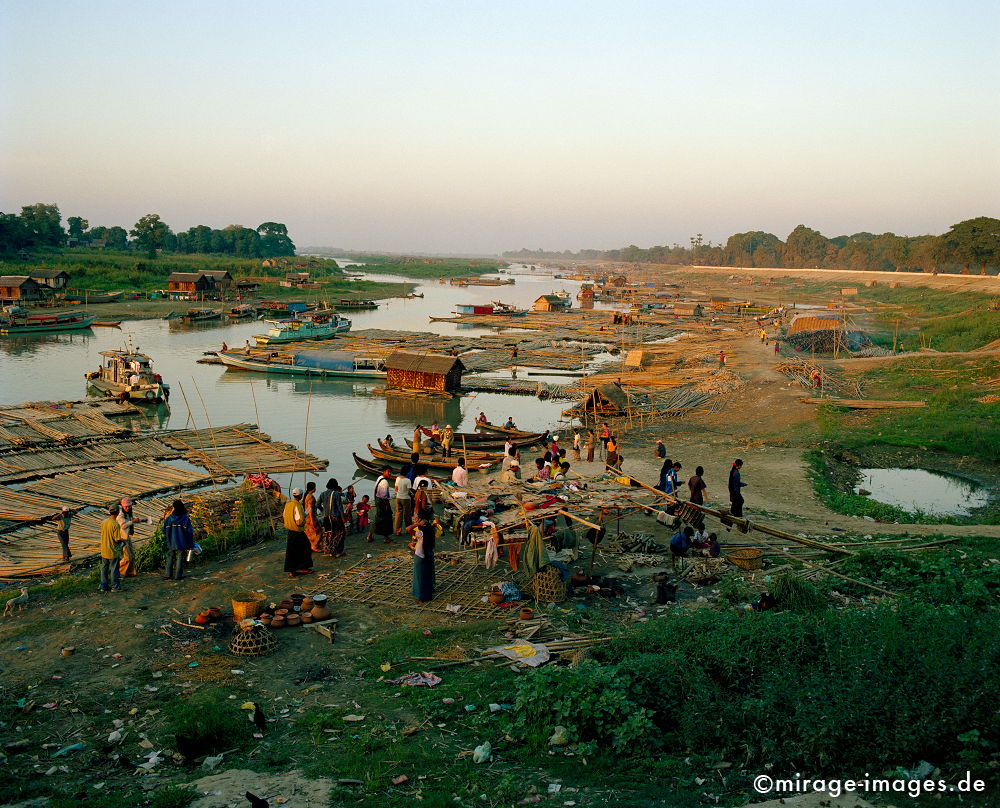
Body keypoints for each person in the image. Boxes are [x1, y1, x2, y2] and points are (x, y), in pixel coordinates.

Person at [283, 488, 312, 577]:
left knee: (291, 551)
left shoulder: (288, 504)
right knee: (305, 547)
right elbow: (299, 521)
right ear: (300, 496)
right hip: (297, 531)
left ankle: (292, 570)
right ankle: (303, 568)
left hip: (290, 530)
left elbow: (284, 515)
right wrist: (305, 517)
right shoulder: (298, 505)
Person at [163, 499, 195, 580]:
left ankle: (168, 574)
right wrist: (190, 544)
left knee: (170, 556)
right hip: (182, 541)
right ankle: (178, 575)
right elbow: (189, 532)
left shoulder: (169, 519)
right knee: (180, 557)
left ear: (174, 508)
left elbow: (164, 530)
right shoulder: (185, 518)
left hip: (171, 541)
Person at [408, 517, 436, 602]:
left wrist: (417, 524)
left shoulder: (421, 534)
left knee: (419, 578)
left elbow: (408, 529)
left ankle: (420, 596)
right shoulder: (431, 532)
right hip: (428, 554)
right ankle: (427, 594)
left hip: (420, 556)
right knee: (426, 576)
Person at [99, 505, 124, 593]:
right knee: (114, 569)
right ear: (118, 512)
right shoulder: (115, 524)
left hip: (104, 549)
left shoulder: (104, 522)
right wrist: (123, 541)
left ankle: (103, 586)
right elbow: (117, 539)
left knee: (104, 569)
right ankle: (115, 587)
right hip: (112, 550)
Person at [318, 478, 346, 557]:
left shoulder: (322, 494)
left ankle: (330, 551)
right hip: (335, 517)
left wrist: (323, 511)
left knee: (328, 533)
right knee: (339, 533)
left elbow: (317, 504)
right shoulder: (336, 494)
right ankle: (338, 552)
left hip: (326, 517)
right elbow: (340, 507)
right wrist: (343, 517)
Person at [368, 468, 394, 543]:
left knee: (380, 519)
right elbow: (384, 496)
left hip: (378, 500)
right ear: (384, 472)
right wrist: (387, 506)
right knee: (384, 519)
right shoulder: (385, 482)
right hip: (382, 502)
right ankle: (384, 537)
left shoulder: (379, 478)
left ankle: (385, 537)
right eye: (388, 472)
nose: (390, 474)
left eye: (390, 472)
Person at [116, 498, 138, 577]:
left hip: (127, 537)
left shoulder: (128, 513)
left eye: (129, 506)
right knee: (127, 557)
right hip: (123, 538)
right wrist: (133, 521)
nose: (128, 508)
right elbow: (123, 526)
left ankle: (130, 572)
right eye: (126, 507)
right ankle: (119, 572)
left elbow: (131, 520)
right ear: (122, 506)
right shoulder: (120, 515)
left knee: (132, 556)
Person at [303, 481, 323, 552]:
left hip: (307, 517)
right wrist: (311, 519)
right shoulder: (310, 497)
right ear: (313, 488)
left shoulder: (306, 495)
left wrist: (305, 516)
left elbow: (307, 509)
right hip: (311, 517)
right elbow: (310, 508)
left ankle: (312, 545)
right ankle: (314, 546)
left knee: (310, 532)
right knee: (318, 531)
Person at [393, 467, 413, 536]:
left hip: (398, 497)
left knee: (398, 514)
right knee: (407, 514)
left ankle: (397, 531)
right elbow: (408, 491)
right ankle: (409, 529)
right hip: (406, 498)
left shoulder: (397, 478)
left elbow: (395, 489)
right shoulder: (408, 480)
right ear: (407, 473)